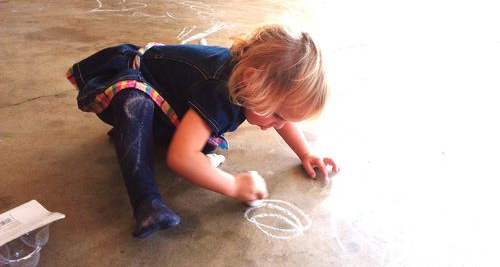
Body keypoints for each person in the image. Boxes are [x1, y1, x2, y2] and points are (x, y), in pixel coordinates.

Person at [65, 24, 339, 238]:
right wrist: (234, 185)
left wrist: (306, 152)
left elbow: (285, 118)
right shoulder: (217, 89)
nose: (280, 124)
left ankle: (148, 133)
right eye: (278, 116)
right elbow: (180, 158)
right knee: (135, 103)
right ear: (251, 81)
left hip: (170, 100)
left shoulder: (248, 84)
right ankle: (147, 203)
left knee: (203, 141)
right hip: (129, 80)